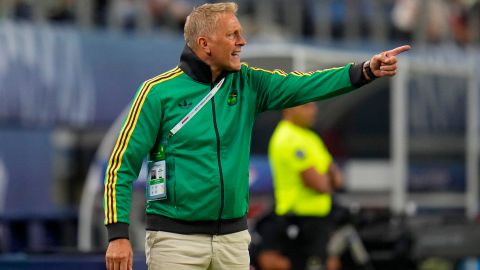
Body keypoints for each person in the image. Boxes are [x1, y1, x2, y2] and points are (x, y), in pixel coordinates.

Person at [103, 2, 410, 270]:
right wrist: (118, 235)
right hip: (175, 241)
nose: (243, 41)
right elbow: (121, 165)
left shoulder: (248, 83)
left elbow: (305, 86)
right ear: (204, 43)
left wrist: (365, 70)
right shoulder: (157, 93)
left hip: (233, 240)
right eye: (232, 35)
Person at [259, 102, 343, 270]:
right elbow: (320, 184)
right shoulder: (288, 137)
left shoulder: (311, 137)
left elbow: (338, 179)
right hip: (297, 220)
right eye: (306, 106)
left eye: (314, 106)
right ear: (288, 108)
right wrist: (327, 179)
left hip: (318, 221)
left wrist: (328, 179)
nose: (313, 110)